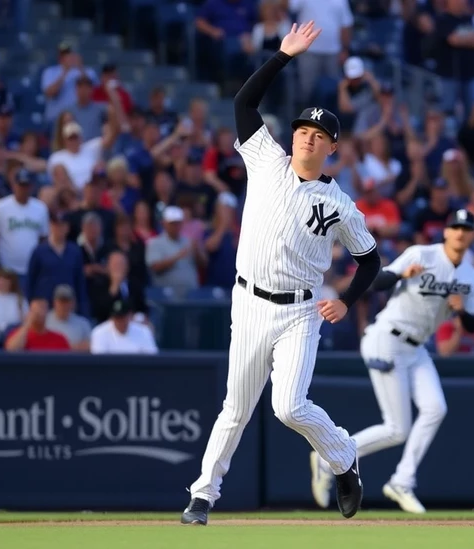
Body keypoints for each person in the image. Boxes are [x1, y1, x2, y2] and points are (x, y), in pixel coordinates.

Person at [181, 22, 379, 526]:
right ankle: (202, 497)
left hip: (300, 311)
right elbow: (244, 106)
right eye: (302, 131)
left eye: (318, 136)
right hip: (249, 302)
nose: (307, 140)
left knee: (289, 408)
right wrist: (282, 55)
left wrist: (349, 299)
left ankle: (344, 459)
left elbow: (370, 260)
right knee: (236, 407)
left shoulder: (339, 205)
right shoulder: (267, 159)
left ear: (332, 148)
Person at [309, 208, 474, 514]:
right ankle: (329, 457)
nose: (459, 233)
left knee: (435, 408)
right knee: (396, 429)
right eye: (455, 227)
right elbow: (376, 281)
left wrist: (462, 310)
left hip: (417, 349)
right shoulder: (422, 255)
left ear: (471, 236)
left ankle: (402, 481)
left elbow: (473, 325)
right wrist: (402, 273)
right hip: (387, 339)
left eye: (465, 229)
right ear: (445, 231)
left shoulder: (470, 276)